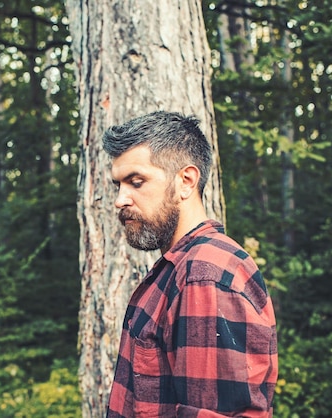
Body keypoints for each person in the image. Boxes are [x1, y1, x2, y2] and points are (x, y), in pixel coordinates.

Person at [103, 111, 278, 417]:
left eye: (136, 181)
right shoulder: (178, 267)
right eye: (118, 185)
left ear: (186, 181)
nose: (120, 199)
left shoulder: (203, 276)